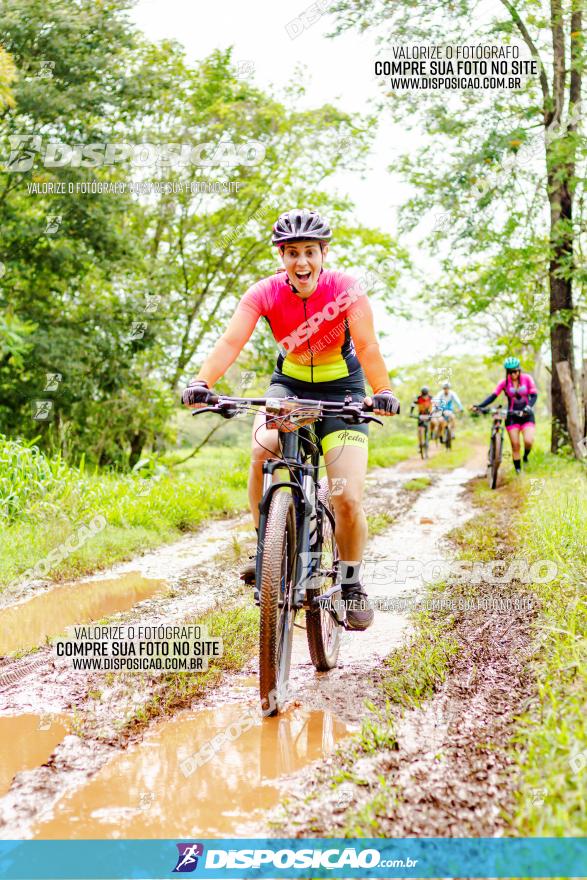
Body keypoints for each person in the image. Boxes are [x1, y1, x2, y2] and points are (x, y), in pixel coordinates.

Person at [181, 208, 400, 631]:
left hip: (345, 392)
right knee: (263, 446)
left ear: (324, 253)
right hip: (291, 388)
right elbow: (231, 340)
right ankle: (265, 548)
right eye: (292, 253)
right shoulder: (263, 293)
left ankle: (352, 583)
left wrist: (383, 391)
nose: (302, 262)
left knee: (347, 496)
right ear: (281, 256)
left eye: (310, 252)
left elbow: (369, 346)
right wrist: (202, 380)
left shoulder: (346, 290)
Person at [472, 356, 537, 473]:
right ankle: (518, 471)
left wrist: (528, 407)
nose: (513, 374)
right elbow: (493, 396)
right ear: (507, 372)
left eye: (515, 371)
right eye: (510, 372)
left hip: (526, 415)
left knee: (528, 441)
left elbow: (534, 395)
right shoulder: (504, 382)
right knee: (515, 445)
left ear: (519, 370)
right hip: (512, 416)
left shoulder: (527, 379)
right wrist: (480, 406)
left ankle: (526, 456)